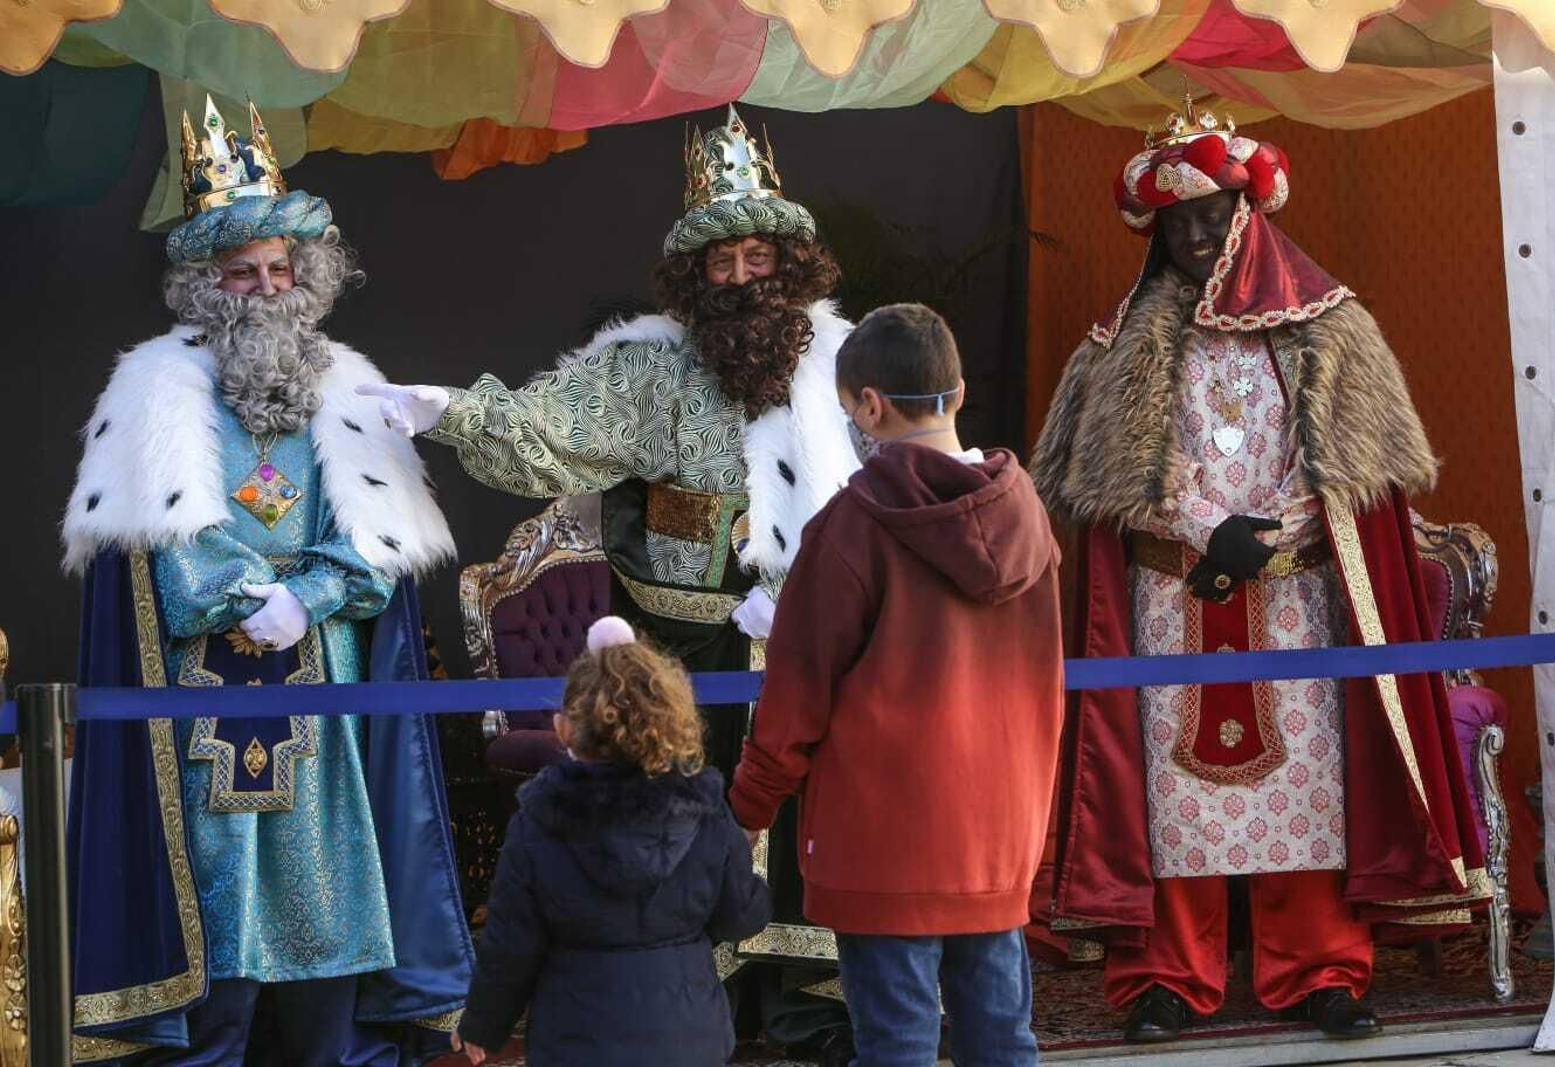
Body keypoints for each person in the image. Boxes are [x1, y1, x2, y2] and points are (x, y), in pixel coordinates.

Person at [364, 106, 859, 1058]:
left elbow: (878, 487)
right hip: (675, 647)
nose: (744, 277)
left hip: (804, 635)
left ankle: (800, 1005)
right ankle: (698, 1001)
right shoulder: (646, 368)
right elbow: (549, 426)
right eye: (724, 261)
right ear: (695, 273)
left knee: (801, 816)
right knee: (678, 812)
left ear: (789, 264)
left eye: (760, 257)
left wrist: (807, 594)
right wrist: (453, 411)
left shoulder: (838, 360)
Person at [1029, 97, 1487, 1043]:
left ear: (1250, 212)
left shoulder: (1330, 327)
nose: (1197, 236)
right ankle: (1165, 974)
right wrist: (1204, 525)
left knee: (1308, 796)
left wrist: (1274, 528)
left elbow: (1353, 465)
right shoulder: (1118, 346)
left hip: (1295, 601)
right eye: (1178, 221)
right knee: (1170, 801)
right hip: (1169, 598)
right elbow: (1107, 473)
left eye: (1212, 216)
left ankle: (1320, 968)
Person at [62, 96, 470, 1064]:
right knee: (219, 902)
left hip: (324, 690)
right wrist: (255, 597)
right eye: (241, 272)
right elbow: (169, 543)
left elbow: (378, 540)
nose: (263, 287)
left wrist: (314, 596)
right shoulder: (154, 389)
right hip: (204, 694)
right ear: (205, 282)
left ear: (306, 276)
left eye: (279, 270)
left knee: (332, 889)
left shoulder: (344, 383)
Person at [730, 304, 1064, 1066]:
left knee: (895, 1048)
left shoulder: (850, 528)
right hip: (1000, 830)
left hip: (882, 841)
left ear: (870, 406)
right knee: (1004, 1043)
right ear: (958, 391)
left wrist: (748, 806)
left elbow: (796, 696)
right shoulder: (1028, 516)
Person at [452, 616, 771, 1067]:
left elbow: (511, 945)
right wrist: (743, 857)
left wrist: (483, 1026)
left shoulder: (541, 819)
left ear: (565, 729)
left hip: (578, 1040)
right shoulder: (706, 810)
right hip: (687, 1038)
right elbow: (743, 917)